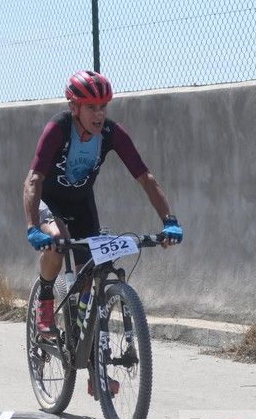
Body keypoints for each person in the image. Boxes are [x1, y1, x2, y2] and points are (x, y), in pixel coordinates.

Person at [23, 70, 183, 343]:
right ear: (74, 108)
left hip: (82, 203)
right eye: (91, 108)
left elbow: (145, 178)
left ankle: (93, 361)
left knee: (92, 272)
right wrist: (32, 227)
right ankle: (45, 301)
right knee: (59, 241)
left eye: (103, 107)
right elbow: (33, 179)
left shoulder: (111, 133)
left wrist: (169, 220)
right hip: (50, 201)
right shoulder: (58, 129)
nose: (99, 114)